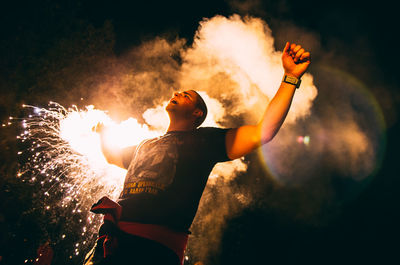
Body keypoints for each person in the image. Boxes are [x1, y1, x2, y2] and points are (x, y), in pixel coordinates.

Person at [84, 42, 311, 265]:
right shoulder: (145, 145)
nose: (176, 92)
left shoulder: (205, 141)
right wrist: (103, 134)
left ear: (196, 112)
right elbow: (111, 157)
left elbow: (263, 132)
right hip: (110, 245)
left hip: (153, 250)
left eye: (186, 95)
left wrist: (290, 78)